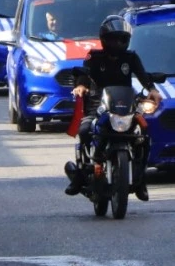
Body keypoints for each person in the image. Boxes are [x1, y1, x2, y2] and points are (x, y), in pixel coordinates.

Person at [65, 15, 162, 202]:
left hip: (126, 106)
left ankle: (140, 180)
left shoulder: (131, 57)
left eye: (121, 38)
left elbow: (143, 76)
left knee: (144, 133)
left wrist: (152, 90)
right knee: (85, 130)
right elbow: (84, 74)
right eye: (113, 38)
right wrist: (81, 86)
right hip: (98, 105)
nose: (117, 43)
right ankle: (81, 175)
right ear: (104, 39)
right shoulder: (94, 56)